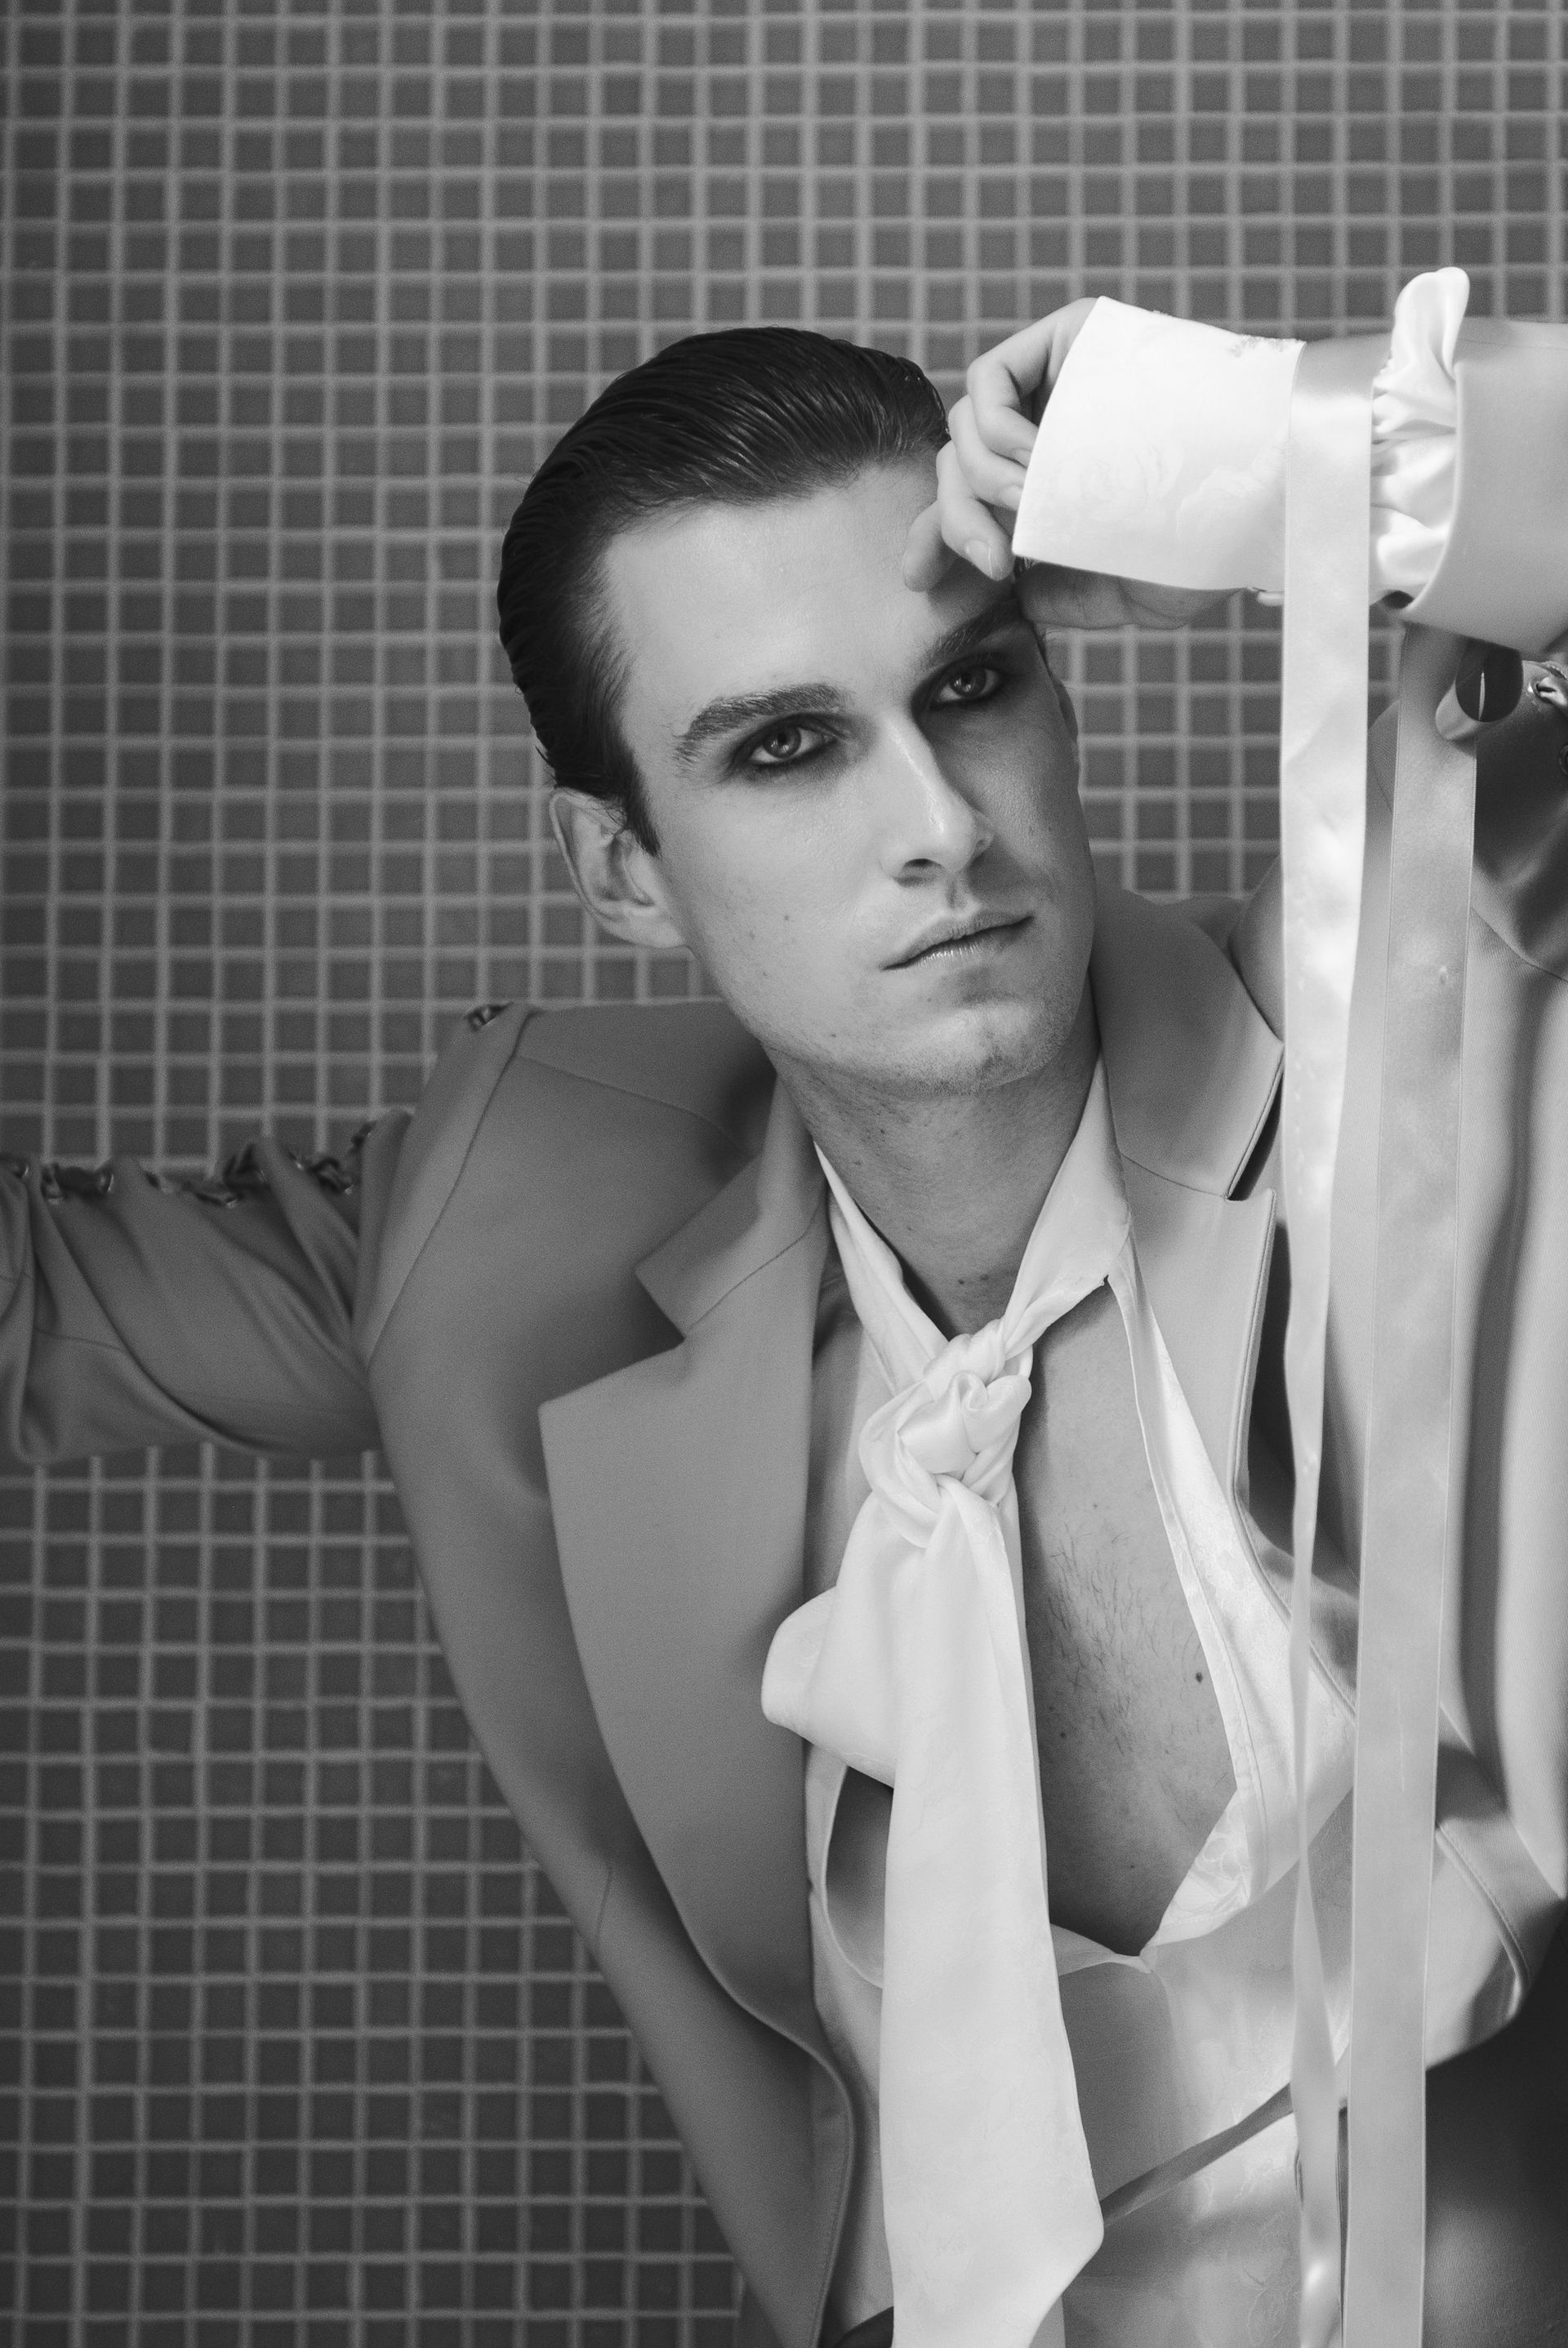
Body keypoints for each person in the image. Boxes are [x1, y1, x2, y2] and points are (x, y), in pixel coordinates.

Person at [2, 274, 1566, 2348]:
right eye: (789, 747)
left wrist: (1298, 450)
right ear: (622, 870)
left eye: (974, 686)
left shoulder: (1434, 1009)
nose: (940, 827)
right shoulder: (510, 1231)